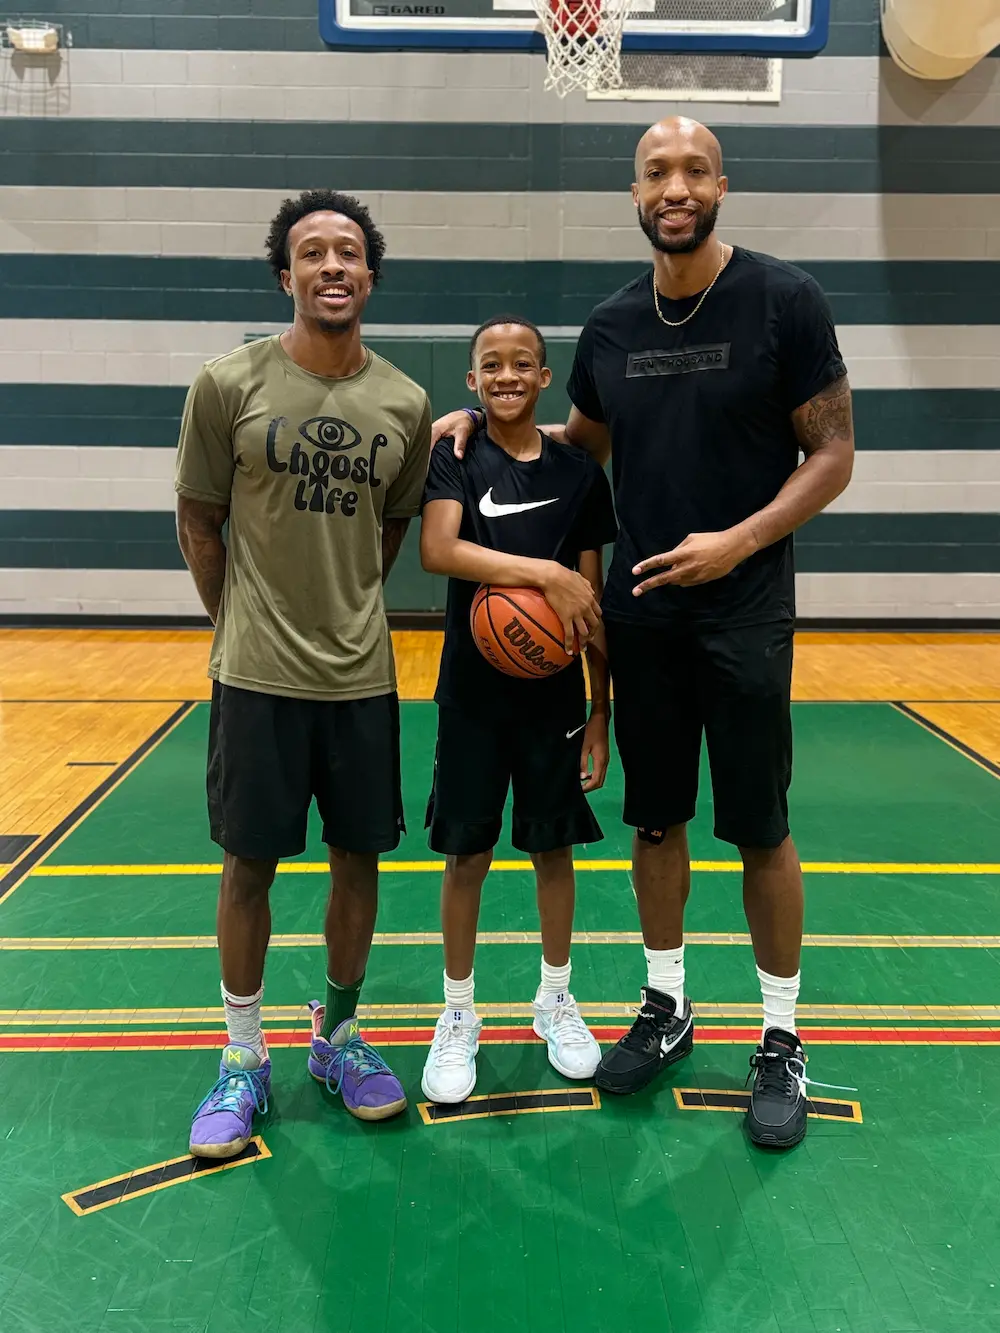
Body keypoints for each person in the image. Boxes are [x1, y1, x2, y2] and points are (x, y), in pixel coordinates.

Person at [430, 118, 855, 1149]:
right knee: (654, 822)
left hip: (744, 609)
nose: (675, 186)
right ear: (633, 194)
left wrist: (738, 541)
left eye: (693, 169)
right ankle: (667, 1003)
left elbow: (833, 452)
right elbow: (581, 440)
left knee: (758, 827)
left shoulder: (784, 302)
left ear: (722, 184)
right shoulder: (610, 327)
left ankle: (780, 1036)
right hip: (642, 614)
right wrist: (475, 418)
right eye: (656, 171)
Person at [175, 189, 431, 1157]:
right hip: (255, 675)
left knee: (358, 860)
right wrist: (235, 620)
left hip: (360, 677)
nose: (332, 266)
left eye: (349, 253)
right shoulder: (227, 383)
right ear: (285, 275)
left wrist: (341, 601)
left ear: (370, 277)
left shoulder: (403, 403)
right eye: (312, 252)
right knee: (248, 867)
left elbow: (392, 529)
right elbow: (200, 520)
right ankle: (244, 1058)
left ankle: (337, 1034)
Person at [418, 315, 616, 1103]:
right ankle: (459, 1013)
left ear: (544, 378)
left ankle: (555, 999)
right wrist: (544, 574)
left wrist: (602, 710)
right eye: (490, 365)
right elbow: (439, 549)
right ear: (472, 382)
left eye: (522, 363)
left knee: (552, 850)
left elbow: (591, 604)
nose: (506, 375)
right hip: (471, 693)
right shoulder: (456, 456)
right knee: (467, 856)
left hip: (555, 701)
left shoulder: (578, 472)